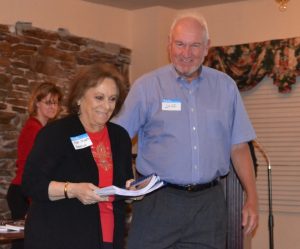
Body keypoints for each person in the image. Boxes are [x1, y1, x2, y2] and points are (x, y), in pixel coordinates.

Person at [112, 13, 259, 249]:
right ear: (169, 45)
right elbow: (116, 140)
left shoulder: (226, 87)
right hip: (157, 202)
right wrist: (120, 182)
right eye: (180, 44)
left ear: (207, 48)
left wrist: (252, 198)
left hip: (208, 206)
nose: (186, 53)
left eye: (194, 46)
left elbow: (239, 146)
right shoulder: (147, 87)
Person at [22, 64, 133, 249]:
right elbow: (31, 184)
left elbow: (123, 183)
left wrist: (131, 190)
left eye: (112, 99)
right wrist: (72, 189)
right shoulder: (56, 133)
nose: (107, 106)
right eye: (99, 97)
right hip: (61, 237)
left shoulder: (120, 137)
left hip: (109, 237)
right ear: (80, 98)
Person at [6, 82, 62, 249]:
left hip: (25, 191)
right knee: (24, 242)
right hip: (23, 192)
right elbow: (32, 170)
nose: (54, 106)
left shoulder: (42, 129)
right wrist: (33, 202)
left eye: (56, 102)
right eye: (49, 102)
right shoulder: (34, 129)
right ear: (37, 103)